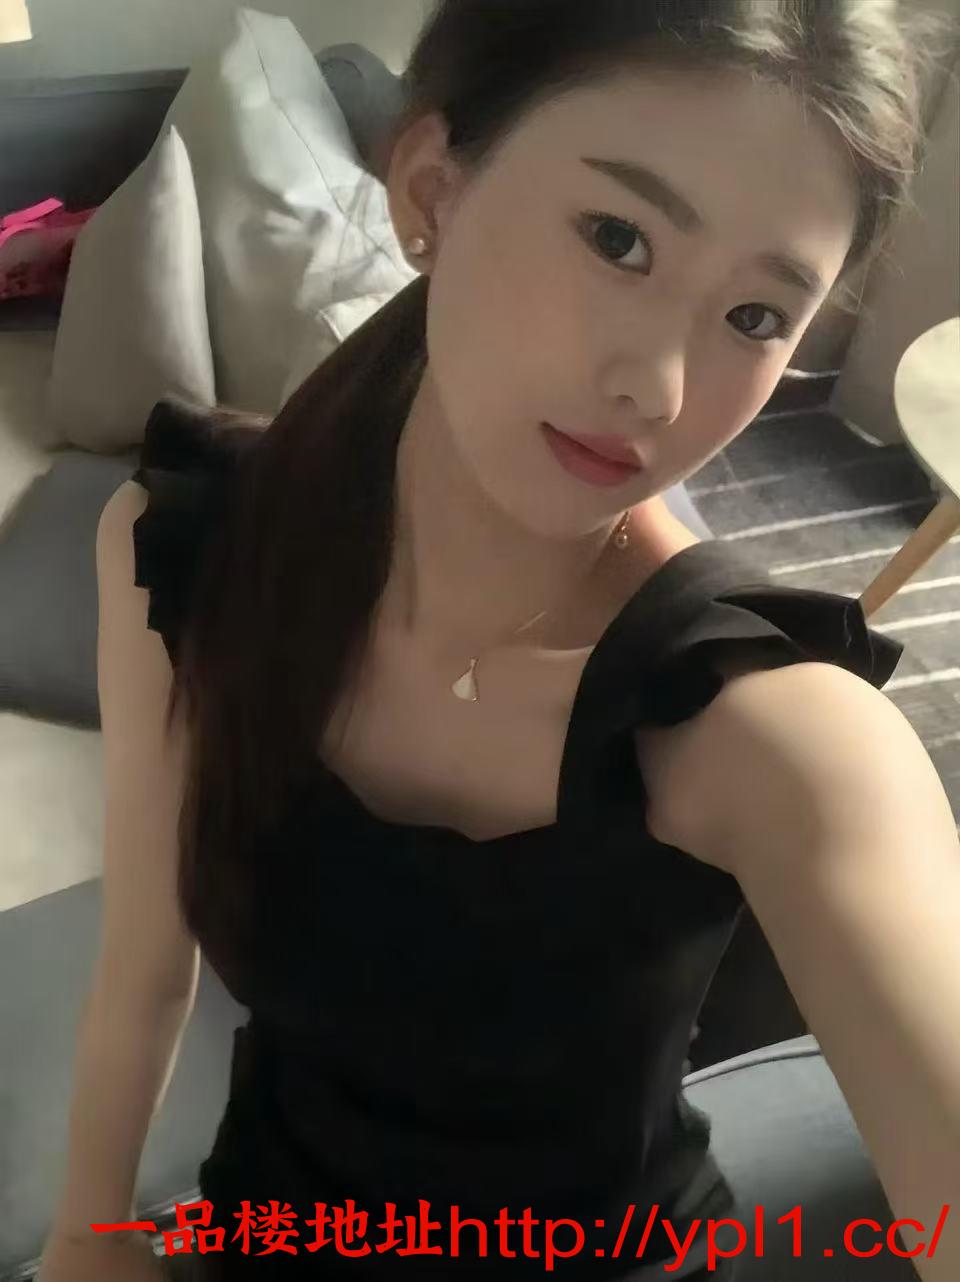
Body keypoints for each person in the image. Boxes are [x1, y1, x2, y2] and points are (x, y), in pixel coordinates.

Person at [38, 2, 960, 1280]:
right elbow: (146, 970)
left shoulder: (764, 731)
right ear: (432, 189)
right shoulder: (192, 552)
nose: (658, 387)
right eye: (619, 238)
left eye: (756, 318)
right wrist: (90, 1241)